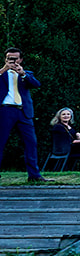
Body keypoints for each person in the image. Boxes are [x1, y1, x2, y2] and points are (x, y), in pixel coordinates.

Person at [1, 48, 44, 182]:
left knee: (31, 143)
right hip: (5, 111)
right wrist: (4, 69)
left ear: (20, 60)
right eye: (9, 58)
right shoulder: (1, 73)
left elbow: (36, 84)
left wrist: (23, 73)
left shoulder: (26, 74)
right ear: (5, 59)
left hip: (23, 112)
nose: (12, 61)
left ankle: (34, 175)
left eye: (15, 58)